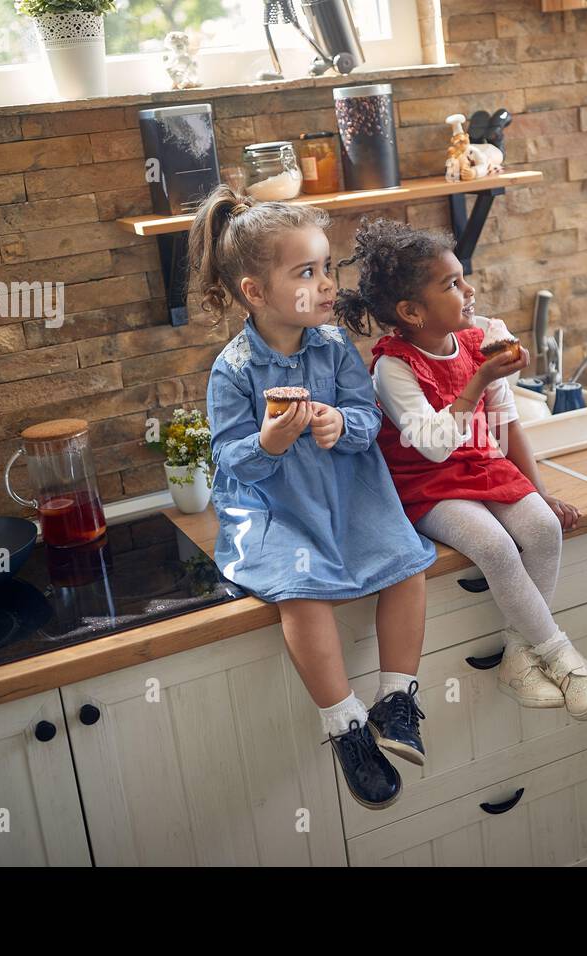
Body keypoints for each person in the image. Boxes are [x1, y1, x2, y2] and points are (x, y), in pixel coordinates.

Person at [194, 188, 438, 811]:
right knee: (300, 594)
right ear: (255, 291)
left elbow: (366, 417)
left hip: (345, 494)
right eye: (307, 272)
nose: (329, 284)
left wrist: (339, 425)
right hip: (275, 509)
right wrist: (270, 440)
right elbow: (230, 459)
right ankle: (347, 726)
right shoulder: (234, 370)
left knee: (408, 565)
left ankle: (395, 698)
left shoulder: (331, 347)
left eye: (328, 267)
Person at [333, 217, 587, 721]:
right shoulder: (394, 368)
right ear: (412, 312)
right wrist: (477, 381)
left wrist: (538, 491)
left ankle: (520, 659)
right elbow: (434, 448)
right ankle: (562, 659)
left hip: (483, 464)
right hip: (429, 484)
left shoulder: (481, 337)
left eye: (463, 277)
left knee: (543, 528)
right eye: (452, 284)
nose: (469, 289)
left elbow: (505, 423)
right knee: (495, 546)